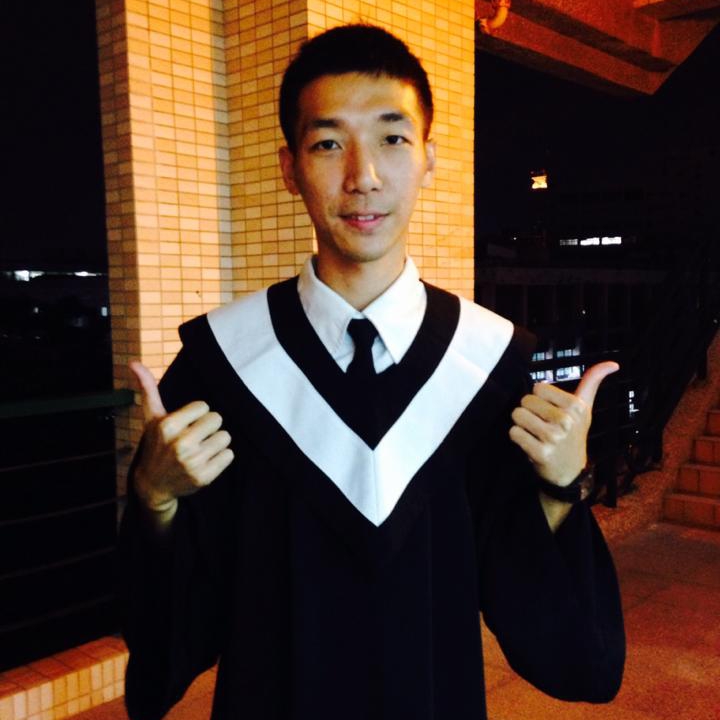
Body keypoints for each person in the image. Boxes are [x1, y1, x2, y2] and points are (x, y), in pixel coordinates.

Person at [120, 24, 625, 720]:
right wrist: (153, 496)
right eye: (328, 143)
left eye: (392, 138)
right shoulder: (222, 364)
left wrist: (565, 484)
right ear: (290, 168)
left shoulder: (487, 365)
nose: (363, 176)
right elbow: (174, 627)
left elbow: (563, 642)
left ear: (428, 159)